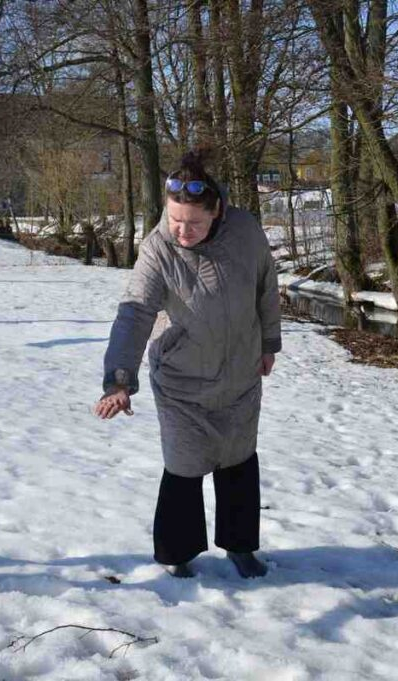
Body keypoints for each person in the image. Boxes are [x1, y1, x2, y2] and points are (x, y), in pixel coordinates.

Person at [95, 150, 282, 579]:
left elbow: (265, 287)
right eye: (175, 219)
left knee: (238, 462)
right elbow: (135, 311)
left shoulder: (246, 231)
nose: (182, 231)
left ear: (216, 209)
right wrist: (119, 379)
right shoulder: (159, 249)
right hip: (181, 381)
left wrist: (268, 341)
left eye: (193, 222)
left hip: (239, 373)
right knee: (183, 468)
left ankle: (241, 548)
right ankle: (177, 554)